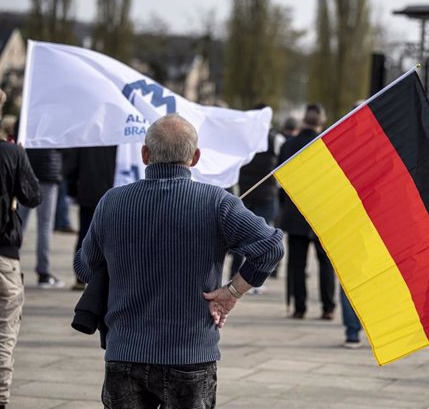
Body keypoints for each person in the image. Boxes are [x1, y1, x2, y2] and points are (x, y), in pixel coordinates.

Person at [73, 114, 284, 408]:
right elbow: (271, 247)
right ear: (195, 157)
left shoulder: (112, 201)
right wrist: (232, 292)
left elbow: (85, 267)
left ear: (145, 154)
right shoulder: (217, 202)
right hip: (190, 354)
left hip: (125, 352)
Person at [0, 88, 42, 408]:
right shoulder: (11, 154)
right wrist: (20, 158)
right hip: (4, 255)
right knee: (4, 334)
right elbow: (33, 196)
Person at [279, 104, 336, 320]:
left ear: (304, 120)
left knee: (296, 263)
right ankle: (328, 306)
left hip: (296, 211)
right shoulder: (327, 144)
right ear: (321, 122)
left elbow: (281, 182)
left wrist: (285, 206)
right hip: (322, 212)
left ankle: (299, 307)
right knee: (325, 263)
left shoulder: (289, 145)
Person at [232, 104, 285, 285]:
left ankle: (238, 275)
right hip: (266, 196)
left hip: (250, 194)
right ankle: (249, 278)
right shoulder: (276, 139)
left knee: (241, 236)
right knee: (262, 238)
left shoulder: (245, 137)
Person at [63, 146, 117, 291]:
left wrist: (73, 190)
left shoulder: (87, 138)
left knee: (84, 234)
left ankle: (81, 276)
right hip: (112, 192)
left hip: (88, 192)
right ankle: (106, 276)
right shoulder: (116, 139)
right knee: (111, 236)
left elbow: (71, 167)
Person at [17, 147, 63, 288]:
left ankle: (12, 268)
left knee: (19, 223)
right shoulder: (53, 125)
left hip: (26, 171)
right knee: (45, 226)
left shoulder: (25, 124)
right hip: (48, 172)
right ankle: (43, 272)